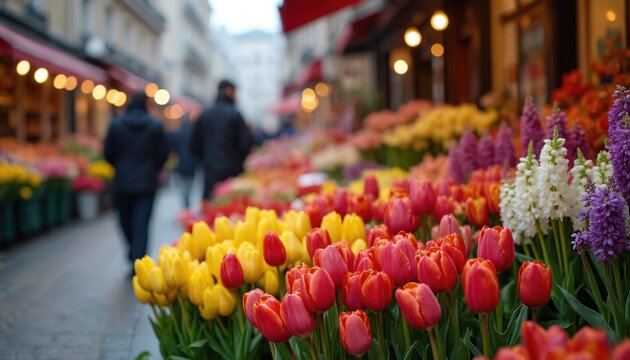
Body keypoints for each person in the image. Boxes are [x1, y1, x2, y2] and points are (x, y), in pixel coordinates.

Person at [104, 91, 169, 269]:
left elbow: (108, 153)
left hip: (122, 182)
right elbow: (163, 154)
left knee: (124, 220)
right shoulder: (155, 126)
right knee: (142, 223)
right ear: (146, 103)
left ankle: (134, 254)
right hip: (147, 182)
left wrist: (120, 166)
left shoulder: (116, 125)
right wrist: (152, 168)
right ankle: (138, 259)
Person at [190, 80, 253, 200]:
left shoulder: (205, 114)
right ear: (229, 91)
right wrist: (238, 162)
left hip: (209, 170)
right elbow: (245, 143)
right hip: (232, 172)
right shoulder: (235, 114)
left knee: (210, 206)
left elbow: (194, 144)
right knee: (229, 207)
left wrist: (205, 160)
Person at [168, 114, 196, 208]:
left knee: (183, 186)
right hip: (192, 163)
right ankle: (187, 203)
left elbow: (171, 147)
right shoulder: (193, 133)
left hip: (180, 162)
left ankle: (186, 203)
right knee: (189, 184)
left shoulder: (177, 133)